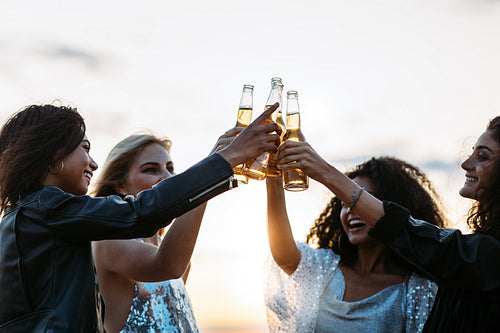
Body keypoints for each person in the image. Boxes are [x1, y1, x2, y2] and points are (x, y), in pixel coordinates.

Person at [0, 103, 281, 332]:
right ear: (53, 155)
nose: (94, 163)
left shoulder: (27, 215)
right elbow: (140, 214)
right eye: (84, 148)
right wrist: (227, 158)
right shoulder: (47, 208)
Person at [276, 116, 500, 332]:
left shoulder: (483, 256)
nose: (465, 163)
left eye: (483, 156)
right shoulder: (326, 267)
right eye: (343, 203)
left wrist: (322, 170)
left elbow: (411, 233)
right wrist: (273, 173)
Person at [264, 156, 446, 332]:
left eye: (361, 201)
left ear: (393, 210)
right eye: (344, 203)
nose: (350, 209)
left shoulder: (418, 289)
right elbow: (284, 255)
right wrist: (273, 178)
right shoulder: (324, 267)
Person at [91, 133, 204, 333]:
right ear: (120, 185)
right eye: (151, 169)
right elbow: (168, 265)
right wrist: (207, 180)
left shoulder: (172, 252)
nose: (168, 178)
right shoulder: (108, 241)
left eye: (170, 169)